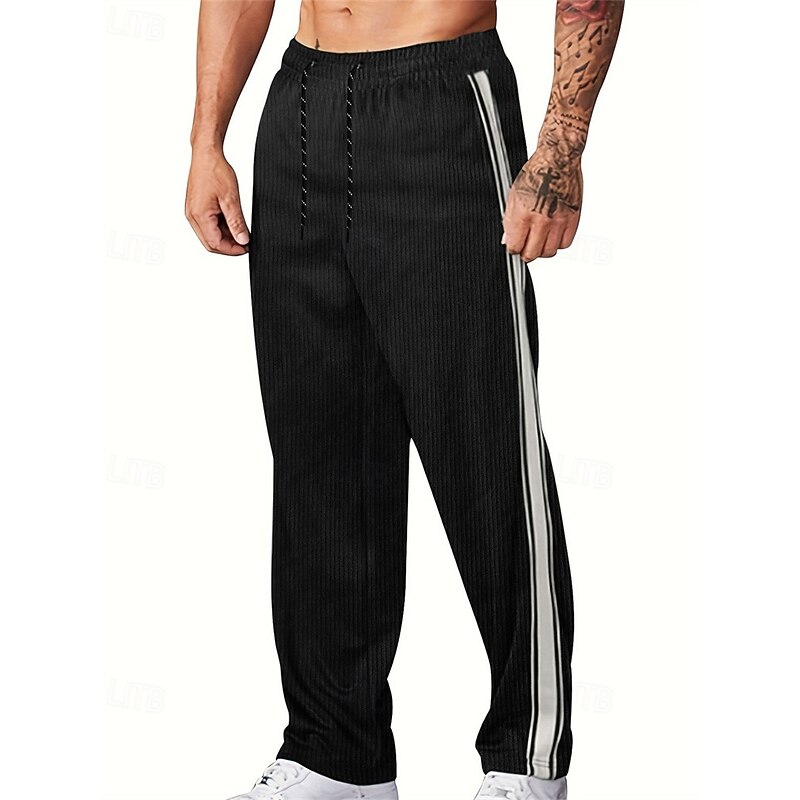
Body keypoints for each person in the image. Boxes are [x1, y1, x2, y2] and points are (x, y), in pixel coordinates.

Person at [185, 1, 624, 798]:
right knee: (320, 453)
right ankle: (335, 755)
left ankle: (525, 760)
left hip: (441, 96)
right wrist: (206, 140)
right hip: (302, 104)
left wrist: (561, 148)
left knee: (485, 447)